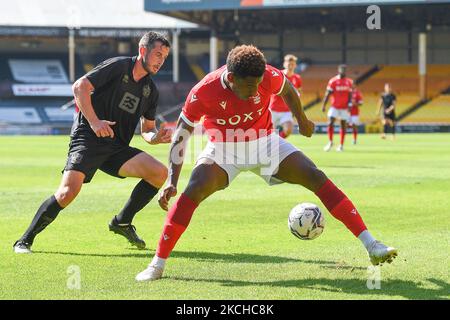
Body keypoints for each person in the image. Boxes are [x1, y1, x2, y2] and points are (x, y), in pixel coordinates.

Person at [135, 45, 398, 281]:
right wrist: (171, 179)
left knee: (315, 175)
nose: (255, 92)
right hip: (224, 149)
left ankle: (371, 245)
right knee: (194, 189)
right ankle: (157, 265)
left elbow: (288, 90)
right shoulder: (204, 91)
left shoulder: (267, 76)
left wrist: (302, 119)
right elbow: (182, 133)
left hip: (264, 142)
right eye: (249, 86)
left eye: (259, 84)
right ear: (231, 77)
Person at [13, 31, 172, 254]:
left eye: (164, 57)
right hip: (88, 138)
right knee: (67, 193)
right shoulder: (118, 66)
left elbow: (147, 129)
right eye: (157, 54)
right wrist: (95, 122)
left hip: (116, 148)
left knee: (159, 173)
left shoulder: (150, 91)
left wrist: (155, 138)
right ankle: (24, 240)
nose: (160, 61)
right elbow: (80, 87)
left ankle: (122, 222)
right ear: (143, 50)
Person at [321, 64, 353, 152]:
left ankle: (341, 145)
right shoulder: (333, 81)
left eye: (345, 69)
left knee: (343, 125)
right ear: (338, 70)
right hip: (334, 106)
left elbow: (350, 95)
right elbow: (328, 94)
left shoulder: (349, 82)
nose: (343, 71)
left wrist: (350, 104)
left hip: (344, 107)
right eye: (342, 69)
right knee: (330, 123)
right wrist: (324, 105)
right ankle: (330, 142)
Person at [268, 54, 302, 138]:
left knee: (288, 129)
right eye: (289, 64)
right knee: (268, 132)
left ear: (295, 65)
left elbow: (298, 94)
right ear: (284, 64)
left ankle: (277, 143)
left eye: (292, 64)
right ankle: (268, 145)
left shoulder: (297, 78)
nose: (291, 66)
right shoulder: (279, 75)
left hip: (286, 111)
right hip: (273, 109)